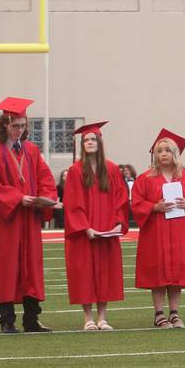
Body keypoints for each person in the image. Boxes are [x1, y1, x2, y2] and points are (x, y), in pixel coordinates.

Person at [0, 97, 58, 333]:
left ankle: (31, 319)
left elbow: (45, 179)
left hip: (29, 219)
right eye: (14, 125)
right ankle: (7, 320)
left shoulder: (31, 150)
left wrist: (45, 198)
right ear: (4, 125)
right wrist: (18, 198)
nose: (19, 130)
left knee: (31, 266)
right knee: (7, 266)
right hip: (7, 219)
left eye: (22, 125)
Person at [133, 129, 185, 329]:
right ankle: (159, 314)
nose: (163, 154)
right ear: (155, 155)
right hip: (155, 232)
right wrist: (154, 207)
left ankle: (174, 313)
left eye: (167, 150)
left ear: (175, 153)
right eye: (159, 151)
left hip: (180, 231)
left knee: (176, 274)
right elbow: (136, 203)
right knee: (158, 273)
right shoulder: (145, 178)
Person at [63, 121, 128, 330]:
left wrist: (119, 223)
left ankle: (102, 317)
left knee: (105, 273)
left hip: (107, 230)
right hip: (86, 232)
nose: (89, 142)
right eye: (85, 140)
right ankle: (88, 318)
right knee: (85, 273)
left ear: (99, 142)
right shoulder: (75, 170)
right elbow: (73, 202)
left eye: (92, 139)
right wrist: (85, 227)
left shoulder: (111, 168)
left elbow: (121, 198)